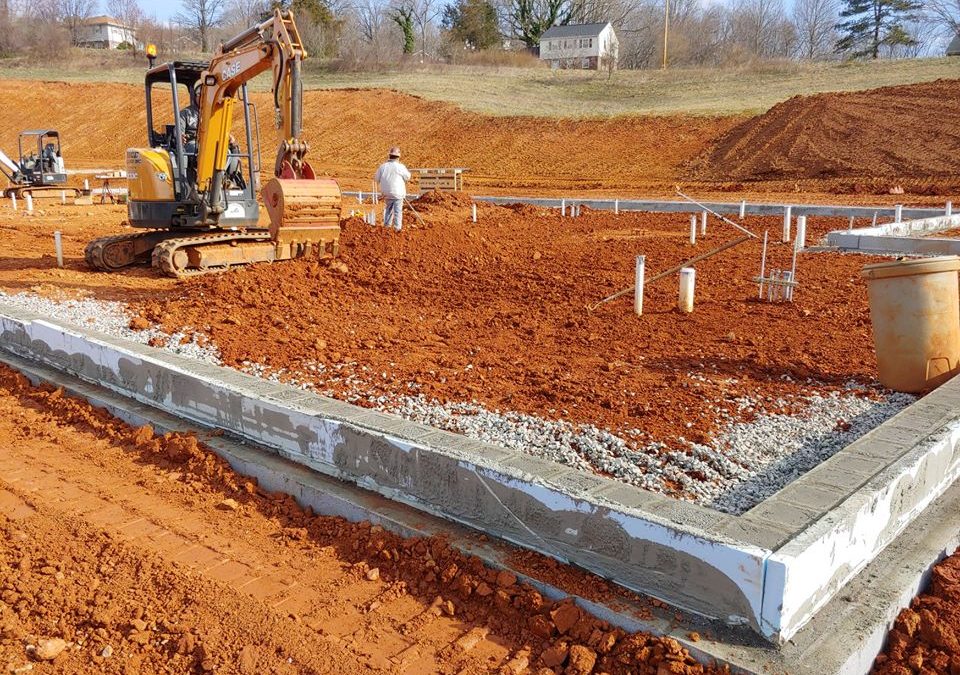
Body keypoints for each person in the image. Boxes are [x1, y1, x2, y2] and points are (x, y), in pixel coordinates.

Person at [374, 146, 411, 232]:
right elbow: (408, 177)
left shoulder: (382, 167)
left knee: (388, 209)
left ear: (389, 156)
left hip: (386, 193)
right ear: (398, 157)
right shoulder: (400, 167)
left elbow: (376, 179)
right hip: (398, 194)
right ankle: (397, 228)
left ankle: (387, 226)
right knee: (398, 211)